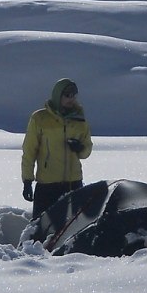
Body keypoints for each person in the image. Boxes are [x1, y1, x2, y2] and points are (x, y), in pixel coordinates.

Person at [21, 78, 92, 219]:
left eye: (74, 95)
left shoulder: (79, 119)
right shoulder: (40, 118)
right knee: (41, 228)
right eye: (67, 95)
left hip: (73, 183)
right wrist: (27, 181)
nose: (71, 99)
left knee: (72, 228)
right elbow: (29, 151)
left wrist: (80, 148)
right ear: (58, 95)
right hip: (48, 185)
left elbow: (87, 150)